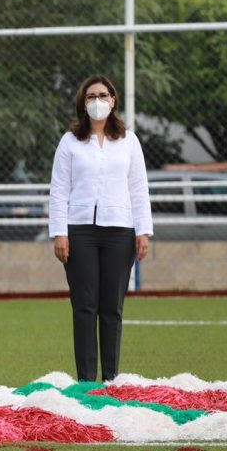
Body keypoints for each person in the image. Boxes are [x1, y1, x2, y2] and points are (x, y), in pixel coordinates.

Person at [49, 75, 152, 383]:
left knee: (112, 308)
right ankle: (86, 381)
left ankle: (111, 380)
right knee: (84, 306)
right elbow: (58, 189)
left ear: (113, 100)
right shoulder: (70, 142)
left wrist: (142, 231)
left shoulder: (128, 141)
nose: (97, 101)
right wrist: (59, 232)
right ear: (83, 102)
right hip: (79, 232)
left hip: (120, 232)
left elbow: (139, 187)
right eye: (91, 96)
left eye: (102, 95)